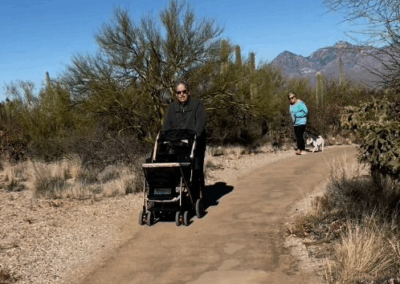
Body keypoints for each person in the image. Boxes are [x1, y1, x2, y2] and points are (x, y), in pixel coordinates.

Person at [162, 81, 207, 194]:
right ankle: (178, 195)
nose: (181, 94)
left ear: (189, 92)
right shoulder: (172, 108)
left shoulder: (197, 105)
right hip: (178, 144)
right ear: (176, 94)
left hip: (195, 144)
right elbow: (167, 126)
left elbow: (201, 123)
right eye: (179, 92)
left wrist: (195, 137)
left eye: (184, 92)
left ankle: (197, 196)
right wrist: (167, 139)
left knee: (196, 170)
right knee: (177, 170)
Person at [288, 91, 308, 155]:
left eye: (292, 97)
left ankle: (300, 149)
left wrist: (298, 115)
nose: (291, 99)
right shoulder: (291, 105)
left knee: (300, 135)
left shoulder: (301, 103)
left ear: (295, 96)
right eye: (290, 98)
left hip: (302, 121)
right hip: (295, 123)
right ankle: (302, 148)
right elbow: (291, 113)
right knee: (297, 136)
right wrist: (293, 119)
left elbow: (306, 111)